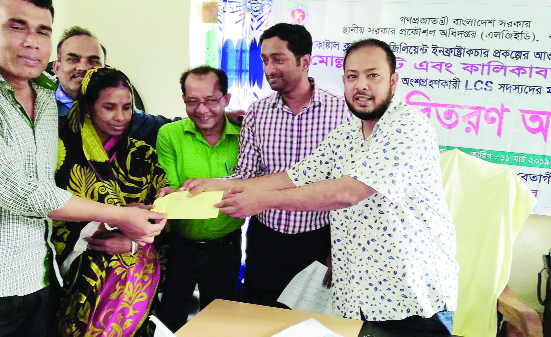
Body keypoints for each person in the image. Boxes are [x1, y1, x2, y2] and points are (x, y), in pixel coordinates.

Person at [182, 39, 458, 334]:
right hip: (358, 296)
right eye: (352, 76)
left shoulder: (407, 125)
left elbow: (348, 192)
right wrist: (214, 186)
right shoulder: (348, 132)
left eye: (372, 75)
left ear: (393, 81)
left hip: (410, 296)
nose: (361, 85)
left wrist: (262, 200)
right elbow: (295, 175)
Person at [0, 1, 165, 336]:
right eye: (17, 26)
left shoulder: (44, 94)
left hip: (45, 277)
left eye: (42, 30)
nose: (32, 40)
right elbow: (18, 191)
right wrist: (120, 215)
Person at [221, 23, 351, 308]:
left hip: (319, 239)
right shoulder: (257, 112)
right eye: (265, 60)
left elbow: (348, 190)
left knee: (309, 321)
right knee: (259, 316)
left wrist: (338, 248)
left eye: (278, 59)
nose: (268, 69)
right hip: (265, 240)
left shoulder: (342, 113)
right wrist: (202, 189)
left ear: (305, 61)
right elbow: (246, 175)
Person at [52, 66, 171, 336]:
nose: (120, 117)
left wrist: (133, 242)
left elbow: (161, 216)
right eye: (109, 107)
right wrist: (107, 225)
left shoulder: (142, 156)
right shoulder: (60, 151)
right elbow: (48, 211)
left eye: (127, 107)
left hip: (135, 273)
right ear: (87, 106)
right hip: (79, 273)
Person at [154, 66, 244, 332]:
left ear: (226, 100)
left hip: (225, 246)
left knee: (219, 322)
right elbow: (169, 186)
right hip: (179, 246)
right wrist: (167, 194)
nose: (202, 110)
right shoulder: (169, 135)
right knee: (170, 317)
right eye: (192, 101)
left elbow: (251, 185)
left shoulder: (245, 134)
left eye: (211, 101)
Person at [52, 26, 245, 147]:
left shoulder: (130, 117)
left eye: (93, 61)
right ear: (57, 67)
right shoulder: (40, 111)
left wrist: (218, 116)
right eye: (73, 59)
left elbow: (169, 126)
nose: (84, 68)